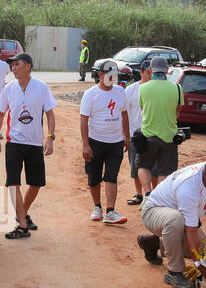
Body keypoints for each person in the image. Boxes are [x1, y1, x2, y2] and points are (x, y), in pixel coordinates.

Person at [136, 153, 206, 288]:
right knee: (177, 221)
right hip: (153, 212)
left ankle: (153, 243)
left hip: (180, 219)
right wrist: (199, 264)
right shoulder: (189, 186)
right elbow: (190, 230)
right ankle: (174, 272)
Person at [0, 53, 55, 239]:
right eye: (12, 65)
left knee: (36, 183)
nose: (13, 68)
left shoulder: (41, 87)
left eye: (17, 64)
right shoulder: (9, 89)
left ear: (28, 66)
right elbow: (0, 113)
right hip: (14, 143)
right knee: (13, 182)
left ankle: (22, 215)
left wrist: (50, 138)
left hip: (34, 143)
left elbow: (50, 114)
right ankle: (23, 226)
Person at [79, 63, 128, 225]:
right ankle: (97, 207)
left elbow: (124, 114)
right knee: (94, 177)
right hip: (95, 142)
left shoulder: (120, 91)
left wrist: (126, 137)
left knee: (111, 175)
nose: (112, 78)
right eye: (109, 75)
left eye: (114, 75)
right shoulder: (91, 94)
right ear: (100, 75)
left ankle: (110, 211)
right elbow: (83, 120)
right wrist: (86, 144)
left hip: (115, 142)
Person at [133, 55, 184, 195]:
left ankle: (148, 193)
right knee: (165, 171)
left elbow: (143, 108)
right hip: (169, 135)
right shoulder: (177, 88)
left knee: (143, 166)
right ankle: (159, 196)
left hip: (148, 134)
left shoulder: (143, 88)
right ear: (167, 70)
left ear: (151, 69)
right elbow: (178, 111)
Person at [120, 61, 150, 205]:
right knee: (135, 166)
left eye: (153, 72)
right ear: (142, 72)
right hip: (134, 134)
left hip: (151, 133)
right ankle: (139, 194)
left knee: (152, 166)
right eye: (148, 72)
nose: (151, 75)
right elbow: (123, 113)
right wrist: (125, 135)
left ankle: (152, 195)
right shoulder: (130, 90)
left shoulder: (156, 90)